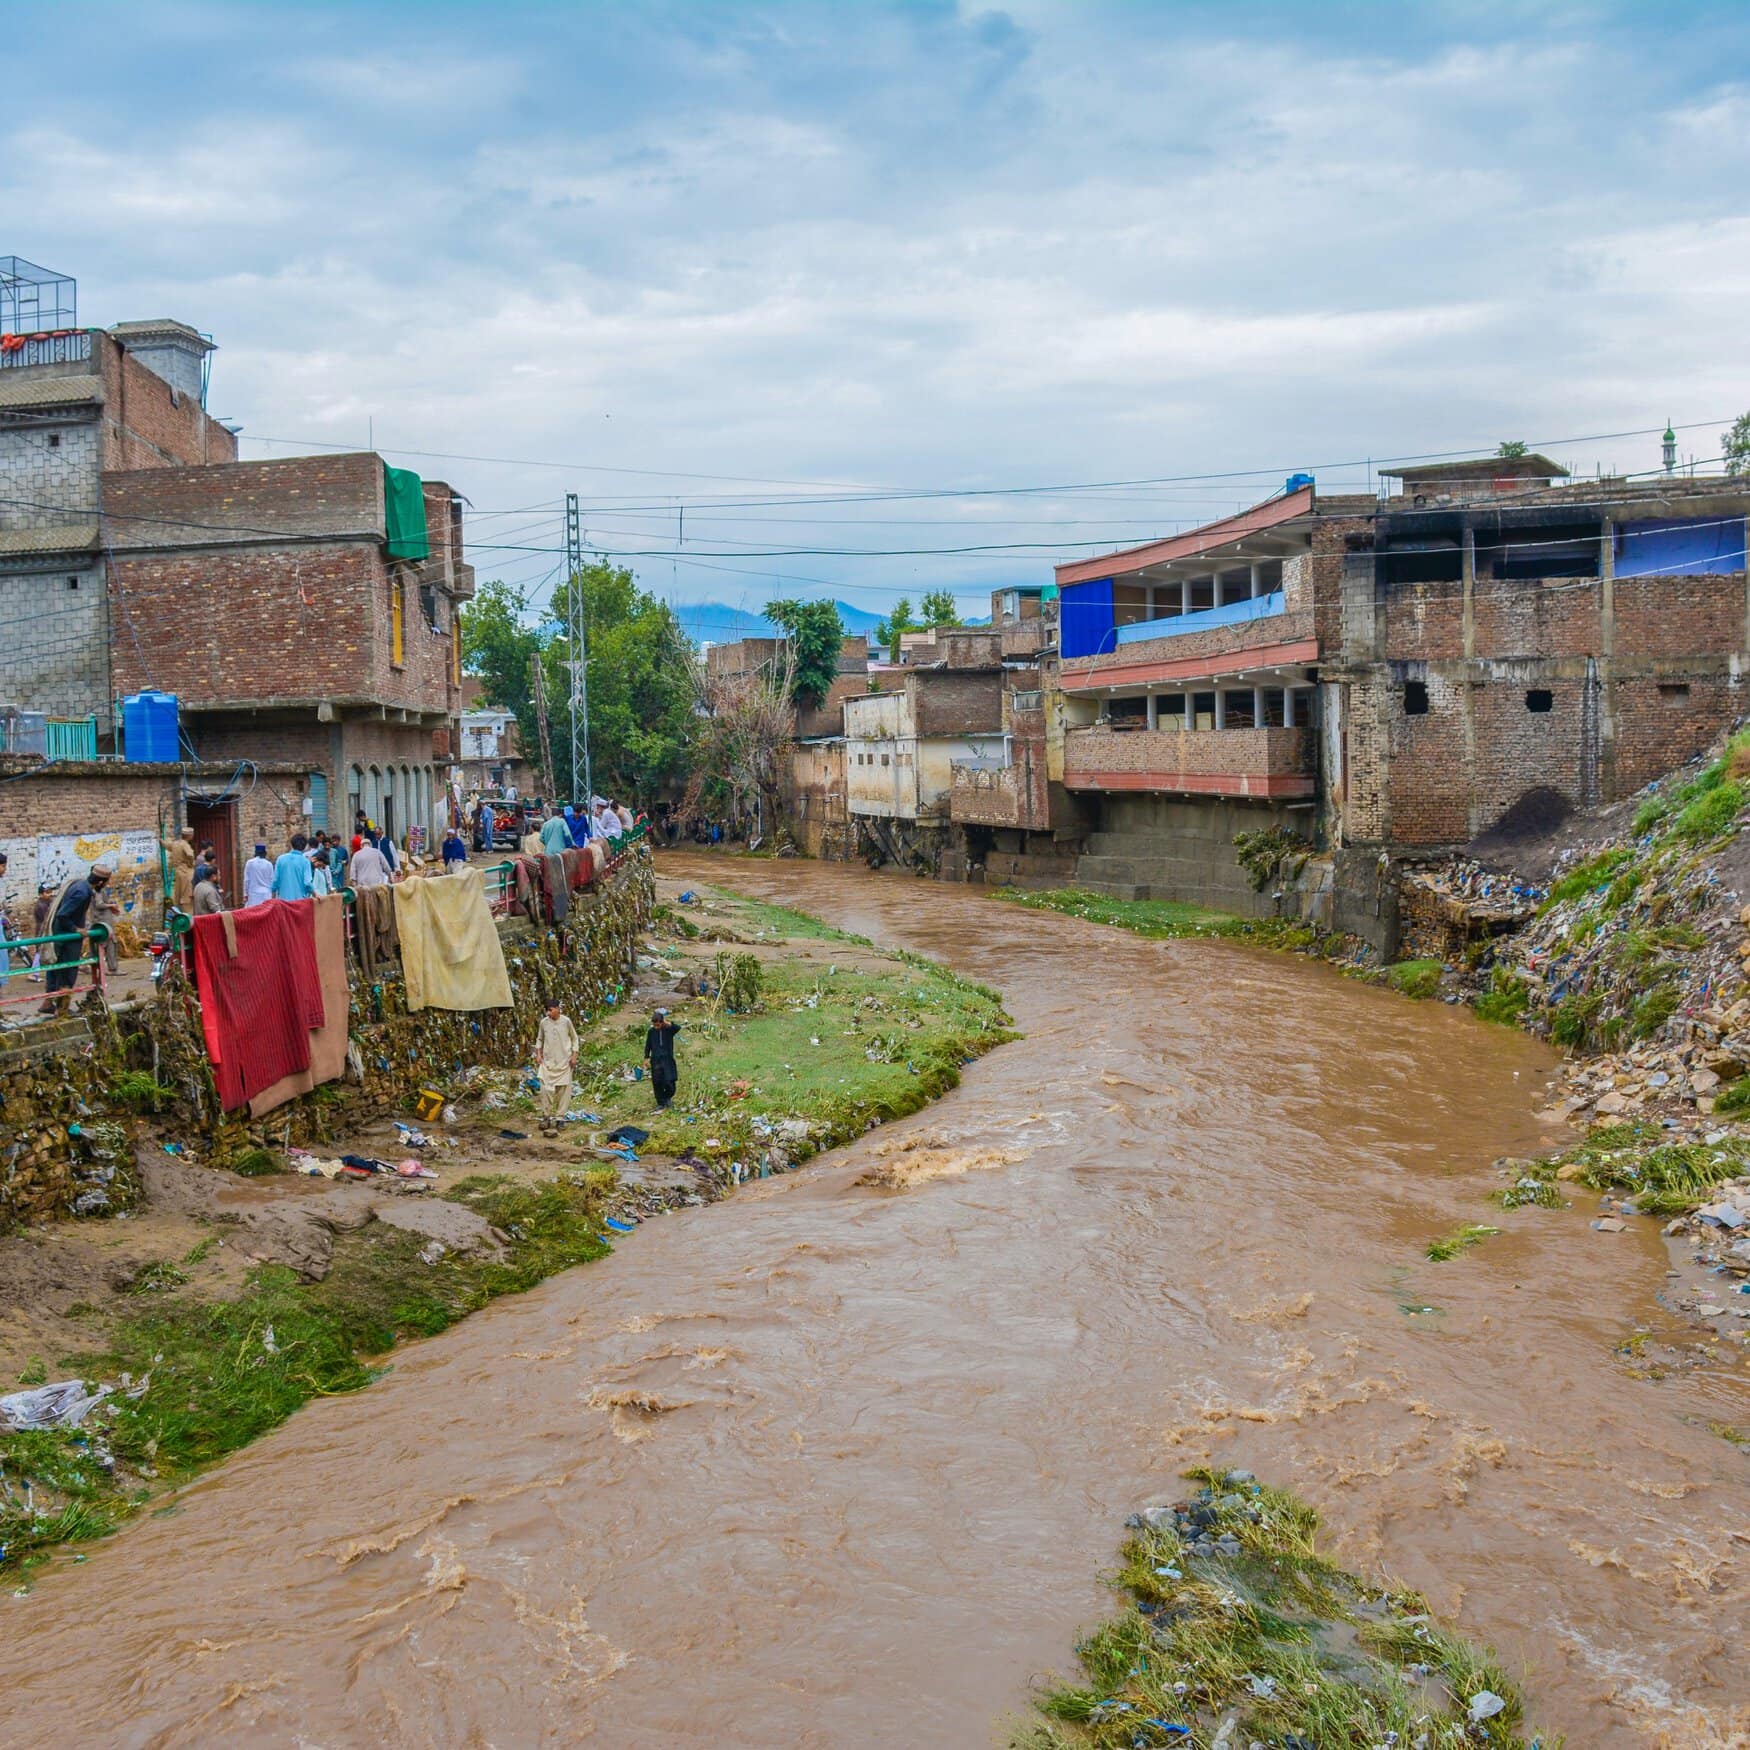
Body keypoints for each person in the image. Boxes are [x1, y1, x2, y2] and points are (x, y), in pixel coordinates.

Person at [41, 864, 109, 1014]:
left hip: (60, 935)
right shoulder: (82, 893)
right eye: (105, 883)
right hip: (67, 937)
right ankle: (61, 1009)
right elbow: (63, 914)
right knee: (68, 971)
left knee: (56, 968)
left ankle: (48, 1002)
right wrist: (76, 929)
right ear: (100, 882)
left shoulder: (79, 885)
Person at [536, 999, 579, 1134]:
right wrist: (538, 1054)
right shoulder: (544, 1023)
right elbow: (540, 1039)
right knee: (545, 1090)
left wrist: (574, 1056)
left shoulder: (566, 1022)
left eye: (550, 1010)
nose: (548, 1013)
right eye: (547, 1010)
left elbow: (574, 1038)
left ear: (557, 1009)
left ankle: (560, 1118)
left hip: (564, 1062)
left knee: (563, 1092)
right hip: (548, 1063)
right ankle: (546, 1117)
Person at [643, 1006, 680, 1110]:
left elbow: (678, 1028)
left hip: (667, 1060)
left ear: (662, 1022)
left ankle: (667, 1097)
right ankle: (661, 1103)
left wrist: (668, 1023)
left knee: (670, 1081)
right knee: (657, 1082)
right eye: (654, 1025)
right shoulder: (651, 1032)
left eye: (658, 1025)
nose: (656, 1027)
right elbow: (648, 1045)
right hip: (656, 1061)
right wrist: (646, 1058)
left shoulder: (668, 1030)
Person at [272, 832, 316, 901]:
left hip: (284, 901)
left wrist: (273, 896)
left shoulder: (280, 859)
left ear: (292, 844)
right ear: (304, 847)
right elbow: (307, 882)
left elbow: (275, 880)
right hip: (299, 902)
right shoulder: (305, 861)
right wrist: (315, 894)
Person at [163, 826, 196, 913]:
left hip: (177, 872)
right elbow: (190, 855)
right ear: (190, 836)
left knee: (178, 896)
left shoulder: (175, 844)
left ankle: (178, 914)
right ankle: (188, 918)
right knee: (187, 897)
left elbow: (166, 845)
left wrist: (161, 841)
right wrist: (191, 864)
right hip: (186, 872)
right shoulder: (185, 845)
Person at [242, 842, 274, 909]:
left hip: (254, 895)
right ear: (264, 853)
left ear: (255, 852)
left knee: (254, 916)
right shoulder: (269, 864)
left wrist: (245, 894)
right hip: (266, 895)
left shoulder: (250, 863)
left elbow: (246, 880)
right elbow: (272, 880)